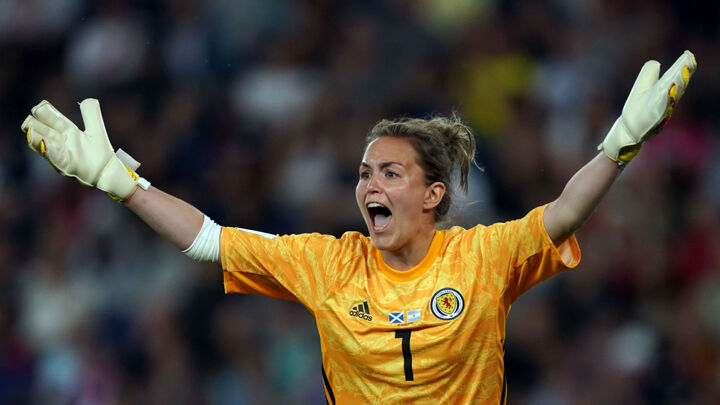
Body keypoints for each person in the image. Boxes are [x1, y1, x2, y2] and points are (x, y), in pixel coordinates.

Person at [21, 50, 696, 404]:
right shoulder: (329, 264)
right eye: (364, 173)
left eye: (390, 174)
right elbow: (210, 240)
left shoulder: (484, 256)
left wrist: (618, 147)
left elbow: (565, 212)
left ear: (433, 195)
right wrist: (124, 184)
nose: (370, 186)